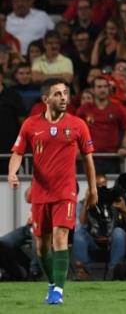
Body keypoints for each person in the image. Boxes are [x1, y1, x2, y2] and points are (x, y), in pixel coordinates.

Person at [8, 78, 97, 304]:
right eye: (57, 94)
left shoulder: (78, 124)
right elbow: (18, 152)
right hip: (40, 192)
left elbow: (88, 159)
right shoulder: (30, 125)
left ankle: (58, 291)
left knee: (60, 236)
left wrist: (93, 188)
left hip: (66, 191)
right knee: (41, 247)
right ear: (45, 99)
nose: (63, 98)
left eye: (65, 93)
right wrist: (12, 173)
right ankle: (51, 283)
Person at [73, 173, 126, 281]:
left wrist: (124, 210)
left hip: (114, 244)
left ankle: (114, 272)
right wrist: (86, 204)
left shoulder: (116, 201)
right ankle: (83, 272)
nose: (100, 190)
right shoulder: (83, 204)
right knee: (78, 235)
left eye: (103, 186)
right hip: (93, 244)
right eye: (97, 187)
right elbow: (82, 225)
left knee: (118, 232)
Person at [76, 77, 126, 174]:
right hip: (90, 157)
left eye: (105, 86)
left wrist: (124, 147)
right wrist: (77, 148)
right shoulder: (84, 109)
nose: (103, 89)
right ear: (93, 90)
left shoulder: (118, 108)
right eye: (99, 87)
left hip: (112, 158)